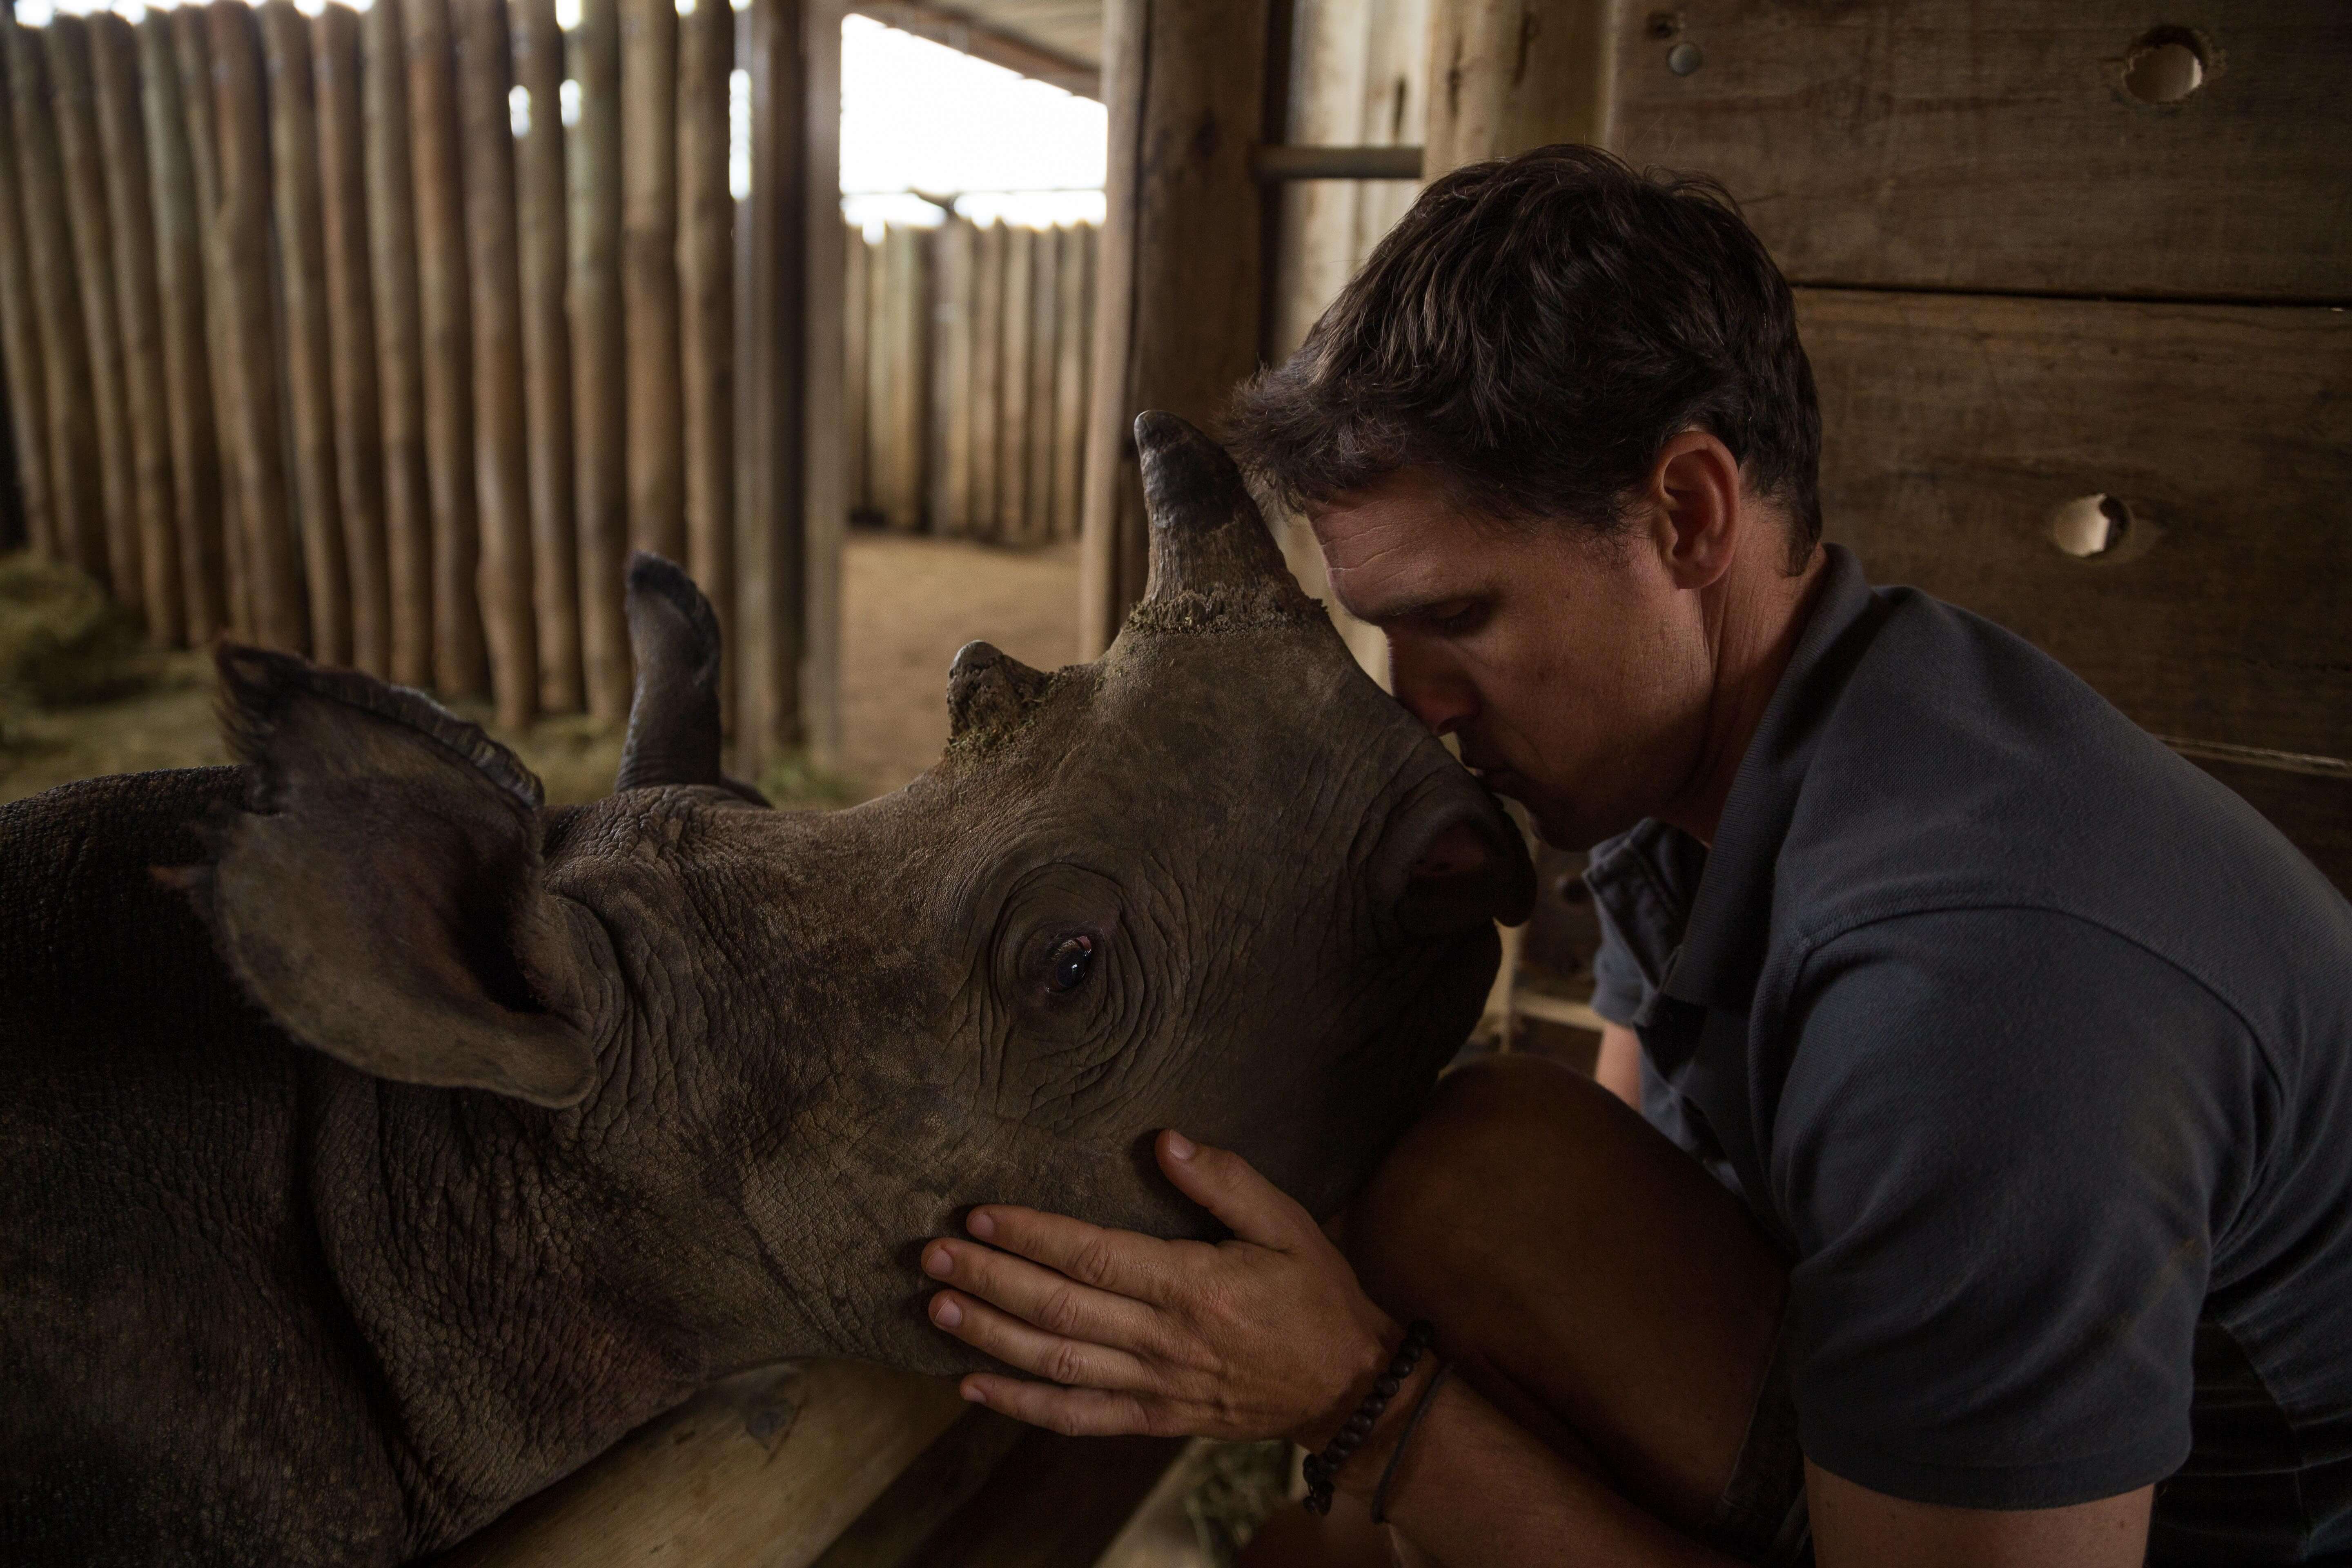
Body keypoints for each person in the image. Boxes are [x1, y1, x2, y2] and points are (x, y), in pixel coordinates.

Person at [913, 145, 2352, 1566]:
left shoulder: (1978, 992)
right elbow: (1634, 1183)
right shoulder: (1727, 775)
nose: (1419, 699)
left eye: (1461, 616)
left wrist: (1359, 1403)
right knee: (1470, 1229)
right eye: (1390, 629)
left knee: (1477, 1205)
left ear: (1688, 516)